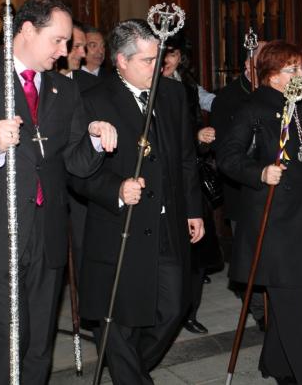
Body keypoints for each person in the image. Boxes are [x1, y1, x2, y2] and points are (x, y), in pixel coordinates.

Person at [0, 0, 118, 385]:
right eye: (58, 40)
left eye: (68, 43)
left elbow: (75, 164)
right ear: (28, 31)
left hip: (46, 235)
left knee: (37, 347)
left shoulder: (62, 91)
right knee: (8, 342)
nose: (65, 52)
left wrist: (96, 140)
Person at [70, 19, 204, 385]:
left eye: (158, 58)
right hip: (121, 227)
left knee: (173, 307)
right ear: (121, 61)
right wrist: (115, 188)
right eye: (148, 60)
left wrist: (193, 209)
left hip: (167, 222)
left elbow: (186, 158)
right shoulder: (93, 100)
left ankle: (130, 369)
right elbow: (77, 172)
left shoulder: (173, 95)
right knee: (123, 319)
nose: (157, 67)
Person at [218, 39, 302, 384]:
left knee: (286, 299)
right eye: (292, 69)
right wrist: (259, 172)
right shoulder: (253, 110)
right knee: (292, 312)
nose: (301, 75)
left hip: (301, 224)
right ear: (272, 76)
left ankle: (275, 363)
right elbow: (228, 157)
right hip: (271, 224)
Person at [161, 33, 222, 335]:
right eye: (164, 53)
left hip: (190, 174)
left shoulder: (186, 87)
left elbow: (196, 121)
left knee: (198, 247)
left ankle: (190, 311)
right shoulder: (145, 85)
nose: (168, 59)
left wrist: (201, 137)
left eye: (172, 53)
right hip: (159, 176)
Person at [209, 41, 267, 327]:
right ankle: (258, 309)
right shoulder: (228, 98)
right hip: (241, 190)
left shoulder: (276, 93)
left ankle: (271, 304)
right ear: (248, 66)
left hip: (272, 188)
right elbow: (226, 151)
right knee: (249, 255)